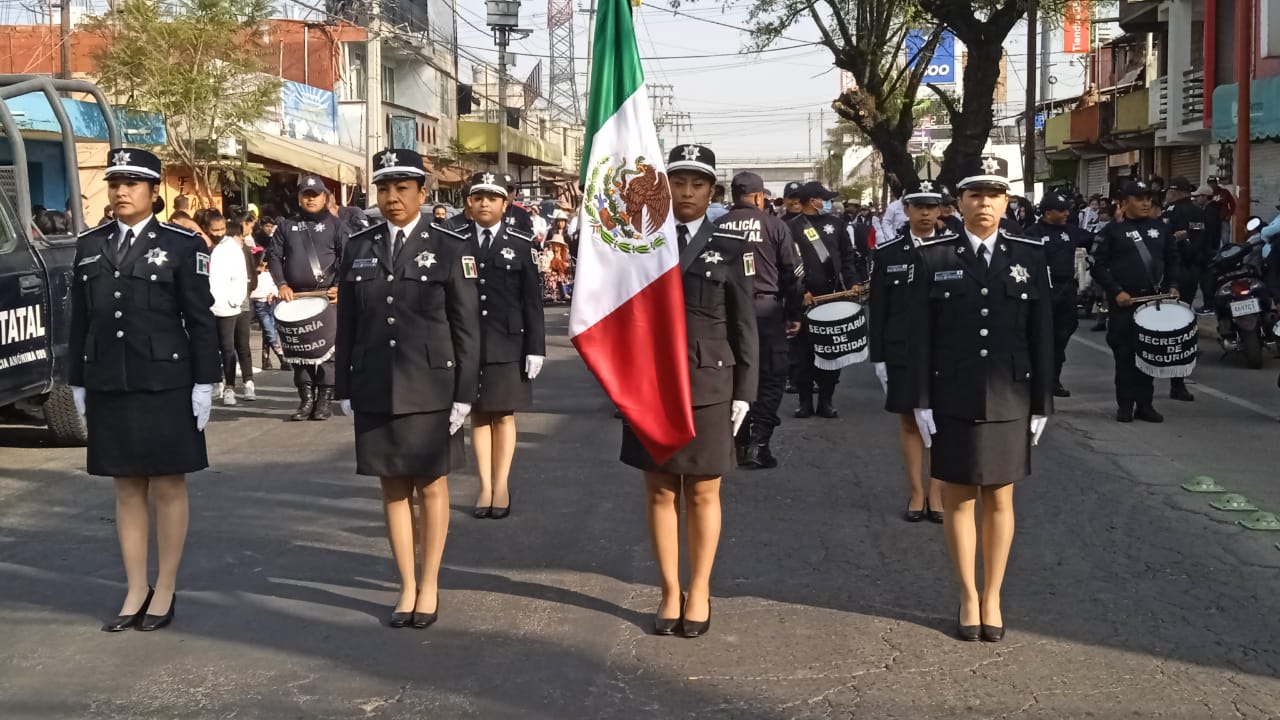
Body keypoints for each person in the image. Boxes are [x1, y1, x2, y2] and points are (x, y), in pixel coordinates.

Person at [68, 147, 220, 632]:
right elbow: (81, 320)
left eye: (132, 183)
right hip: (110, 379)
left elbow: (201, 319)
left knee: (168, 483)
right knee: (126, 485)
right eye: (114, 182)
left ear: (155, 192)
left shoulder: (181, 244)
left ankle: (166, 586)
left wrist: (205, 380)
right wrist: (77, 379)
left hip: (166, 381)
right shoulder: (90, 244)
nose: (120, 191)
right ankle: (136, 587)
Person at [907, 158, 1053, 643]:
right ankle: (968, 595)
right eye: (974, 195)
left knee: (1001, 496)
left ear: (1007, 203)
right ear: (960, 204)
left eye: (994, 194)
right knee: (959, 496)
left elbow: (1042, 334)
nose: (984, 203)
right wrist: (920, 400)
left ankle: (993, 595)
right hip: (952, 392)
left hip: (1010, 392)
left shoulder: (1030, 255)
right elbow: (920, 338)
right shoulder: (934, 257)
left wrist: (1042, 402)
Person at [334, 148, 481, 628]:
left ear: (423, 192)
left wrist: (464, 393)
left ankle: (431, 582)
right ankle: (407, 584)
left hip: (430, 384)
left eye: (402, 188)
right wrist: (343, 386)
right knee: (392, 488)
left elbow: (465, 328)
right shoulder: (360, 244)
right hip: (375, 380)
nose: (392, 198)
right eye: (384, 189)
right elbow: (349, 324)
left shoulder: (449, 245)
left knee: (431, 486)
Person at [619, 144, 757, 638]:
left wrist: (745, 390)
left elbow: (746, 327)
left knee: (702, 491)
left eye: (697, 184)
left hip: (708, 383)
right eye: (677, 183)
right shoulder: (640, 245)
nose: (686, 192)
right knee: (658, 491)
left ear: (712, 192)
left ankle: (699, 588)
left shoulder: (733, 248)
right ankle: (668, 590)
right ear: (664, 189)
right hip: (651, 384)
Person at [447, 173, 547, 518]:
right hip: (467, 343)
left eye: (493, 197)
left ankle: (501, 484)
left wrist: (536, 346)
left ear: (506, 204)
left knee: (502, 415)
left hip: (508, 342)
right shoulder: (454, 241)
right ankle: (484, 486)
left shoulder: (521, 244)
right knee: (479, 414)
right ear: (469, 203)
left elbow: (532, 301)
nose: (485, 203)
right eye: (478, 197)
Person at [871, 180, 949, 523]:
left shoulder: (955, 250)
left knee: (944, 423)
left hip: (946, 351)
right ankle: (917, 491)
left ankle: (937, 492)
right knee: (909, 422)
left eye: (932, 206)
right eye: (919, 206)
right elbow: (879, 310)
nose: (926, 213)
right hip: (903, 350)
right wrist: (879, 358)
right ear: (906, 210)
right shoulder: (888, 255)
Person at [715, 171, 803, 469]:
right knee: (772, 377)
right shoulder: (775, 226)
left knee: (734, 374)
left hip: (726, 314)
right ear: (758, 197)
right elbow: (792, 275)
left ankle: (738, 442)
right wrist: (794, 314)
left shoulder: (716, 226)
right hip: (766, 312)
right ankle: (759, 443)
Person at [1090, 181, 1179, 423]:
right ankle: (1125, 406)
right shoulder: (1112, 232)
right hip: (1125, 303)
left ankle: (1145, 405)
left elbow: (1172, 259)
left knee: (1149, 356)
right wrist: (1116, 291)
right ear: (1124, 202)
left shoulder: (1160, 228)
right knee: (1125, 355)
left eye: (1148, 198)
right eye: (1139, 198)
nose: (1146, 203)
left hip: (1153, 302)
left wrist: (1173, 285)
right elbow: (1097, 265)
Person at [268, 174, 345, 421]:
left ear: (325, 197)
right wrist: (281, 284)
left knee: (326, 352)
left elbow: (348, 258)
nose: (310, 199)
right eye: (306, 195)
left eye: (315, 195)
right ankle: (305, 400)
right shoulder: (286, 226)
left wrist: (339, 286)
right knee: (298, 351)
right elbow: (273, 257)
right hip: (295, 299)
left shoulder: (336, 225)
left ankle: (324, 400)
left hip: (326, 299)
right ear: (300, 198)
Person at [787, 180, 861, 418]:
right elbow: (787, 266)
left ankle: (826, 400)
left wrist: (852, 283)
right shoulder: (791, 227)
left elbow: (847, 258)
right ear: (812, 201)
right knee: (803, 354)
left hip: (834, 297)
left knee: (833, 350)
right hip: (805, 299)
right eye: (823, 198)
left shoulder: (837, 225)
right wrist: (799, 291)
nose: (827, 202)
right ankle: (805, 401)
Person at [1027, 192, 1094, 398]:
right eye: (1062, 210)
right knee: (1038, 337)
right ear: (1047, 213)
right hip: (1041, 292)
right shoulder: (1032, 233)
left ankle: (1054, 380)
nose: (1067, 213)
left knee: (1061, 337)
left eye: (1068, 209)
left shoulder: (1073, 232)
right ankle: (1034, 380)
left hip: (1066, 291)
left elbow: (1099, 242)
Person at [205, 211, 256, 404]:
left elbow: (241, 276)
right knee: (214, 347)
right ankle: (217, 382)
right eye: (214, 230)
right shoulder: (205, 246)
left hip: (229, 305)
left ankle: (232, 386)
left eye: (221, 229)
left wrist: (235, 299)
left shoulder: (232, 248)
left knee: (232, 346)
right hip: (209, 306)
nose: (218, 233)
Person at [249, 248, 286, 370]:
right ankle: (282, 357)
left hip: (271, 304)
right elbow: (252, 292)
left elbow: (275, 286)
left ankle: (265, 360)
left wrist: (272, 293)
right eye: (261, 264)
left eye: (266, 264)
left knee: (269, 333)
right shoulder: (253, 275)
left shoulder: (269, 273)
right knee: (270, 332)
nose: (264, 267)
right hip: (260, 305)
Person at [1207, 176, 1236, 245]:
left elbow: (1233, 204)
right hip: (1212, 221)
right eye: (1210, 183)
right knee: (1213, 240)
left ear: (1217, 183)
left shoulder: (1224, 192)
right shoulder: (1207, 194)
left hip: (1223, 220)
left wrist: (1229, 214)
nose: (1212, 184)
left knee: (1225, 240)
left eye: (1213, 183)